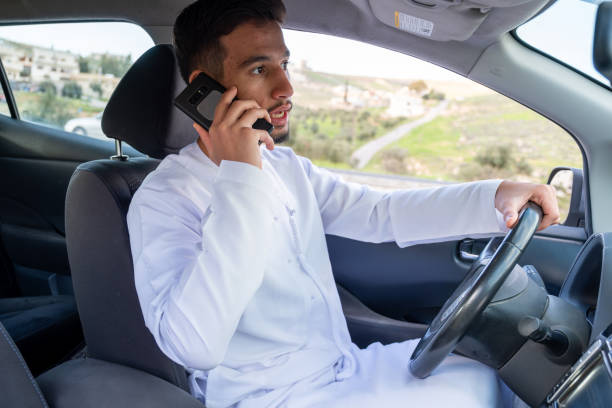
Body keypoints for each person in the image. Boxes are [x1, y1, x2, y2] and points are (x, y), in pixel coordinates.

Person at [126, 1, 560, 407]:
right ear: (208, 89)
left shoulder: (286, 167)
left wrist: (495, 196)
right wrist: (240, 176)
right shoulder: (164, 198)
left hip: (344, 367)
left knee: (497, 371)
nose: (286, 87)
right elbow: (194, 345)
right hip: (270, 398)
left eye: (285, 64)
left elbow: (379, 214)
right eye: (260, 68)